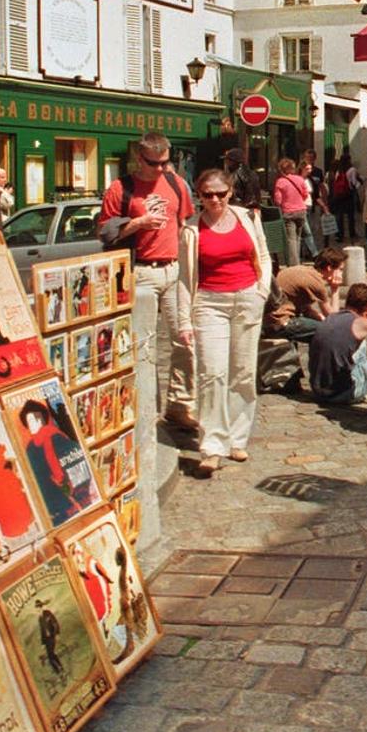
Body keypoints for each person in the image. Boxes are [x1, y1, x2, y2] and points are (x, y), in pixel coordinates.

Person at [98, 134, 196, 431]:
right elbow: (104, 232)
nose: (162, 169)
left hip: (173, 269)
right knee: (144, 344)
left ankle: (179, 406)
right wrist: (138, 224)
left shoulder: (176, 183)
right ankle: (147, 410)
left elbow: (185, 222)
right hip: (141, 271)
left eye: (167, 162)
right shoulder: (121, 189)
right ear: (140, 160)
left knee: (184, 340)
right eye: (155, 164)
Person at [178, 168, 271, 477]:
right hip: (209, 303)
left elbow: (264, 257)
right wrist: (183, 322)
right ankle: (213, 446)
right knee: (212, 374)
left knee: (243, 373)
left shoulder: (248, 218)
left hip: (247, 299)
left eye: (220, 193)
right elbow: (183, 280)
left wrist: (261, 291)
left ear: (230, 192)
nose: (214, 199)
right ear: (199, 195)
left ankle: (237, 438)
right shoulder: (191, 230)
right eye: (207, 195)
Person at [308, 283, 367, 405]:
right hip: (343, 394)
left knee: (360, 342)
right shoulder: (362, 324)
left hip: (318, 391)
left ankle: (360, 380)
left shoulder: (331, 317)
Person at [263, 247, 346, 344]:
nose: (342, 273)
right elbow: (333, 318)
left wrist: (322, 320)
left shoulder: (306, 272)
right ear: (329, 268)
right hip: (280, 323)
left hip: (271, 320)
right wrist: (335, 289)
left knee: (319, 329)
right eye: (340, 269)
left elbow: (307, 310)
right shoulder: (316, 283)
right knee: (330, 333)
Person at [272, 158, 311, 267]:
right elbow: (305, 195)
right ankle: (296, 261)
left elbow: (278, 200)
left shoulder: (280, 182)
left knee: (291, 239)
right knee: (298, 238)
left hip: (288, 212)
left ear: (281, 169)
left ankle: (294, 265)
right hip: (302, 211)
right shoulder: (300, 179)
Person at [300, 148, 329, 256]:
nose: (310, 160)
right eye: (308, 158)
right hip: (303, 204)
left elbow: (321, 187)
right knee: (305, 230)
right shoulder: (300, 172)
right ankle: (306, 251)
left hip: (315, 202)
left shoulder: (318, 171)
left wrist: (324, 203)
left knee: (314, 228)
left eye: (311, 158)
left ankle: (311, 250)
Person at [326, 153, 358, 242]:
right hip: (348, 195)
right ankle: (352, 233)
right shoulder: (352, 170)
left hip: (338, 195)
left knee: (339, 216)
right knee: (350, 215)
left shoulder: (337, 171)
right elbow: (354, 183)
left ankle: (339, 234)